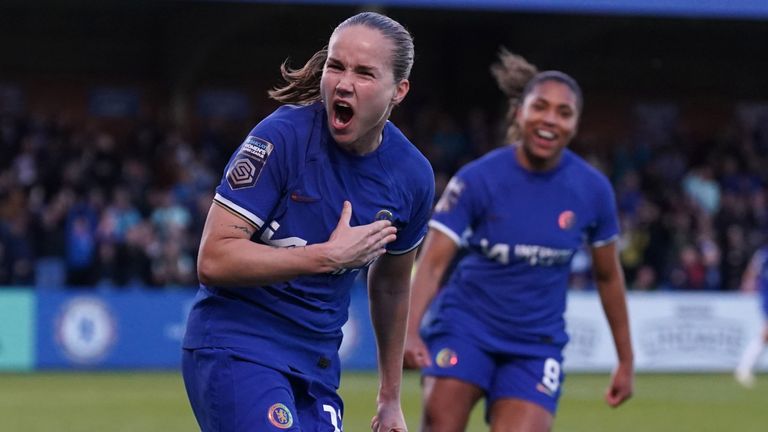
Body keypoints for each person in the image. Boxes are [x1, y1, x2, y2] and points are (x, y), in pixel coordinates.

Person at [182, 12, 434, 432]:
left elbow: (390, 285)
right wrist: (323, 257)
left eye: (365, 73)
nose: (344, 82)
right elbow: (214, 259)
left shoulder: (413, 177)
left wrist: (390, 399)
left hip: (316, 365)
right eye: (336, 66)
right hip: (237, 346)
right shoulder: (281, 138)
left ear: (399, 91)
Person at [403, 49, 634, 431]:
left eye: (564, 112)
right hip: (466, 327)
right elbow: (433, 262)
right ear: (519, 112)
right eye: (540, 107)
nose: (550, 120)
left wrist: (626, 360)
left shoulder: (593, 191)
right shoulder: (478, 179)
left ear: (575, 124)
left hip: (535, 343)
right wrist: (409, 330)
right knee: (440, 423)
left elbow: (609, 277)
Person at [734, 243, 768, 388]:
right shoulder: (763, 254)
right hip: (767, 297)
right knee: (766, 333)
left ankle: (744, 368)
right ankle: (744, 368)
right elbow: (752, 271)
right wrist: (747, 283)